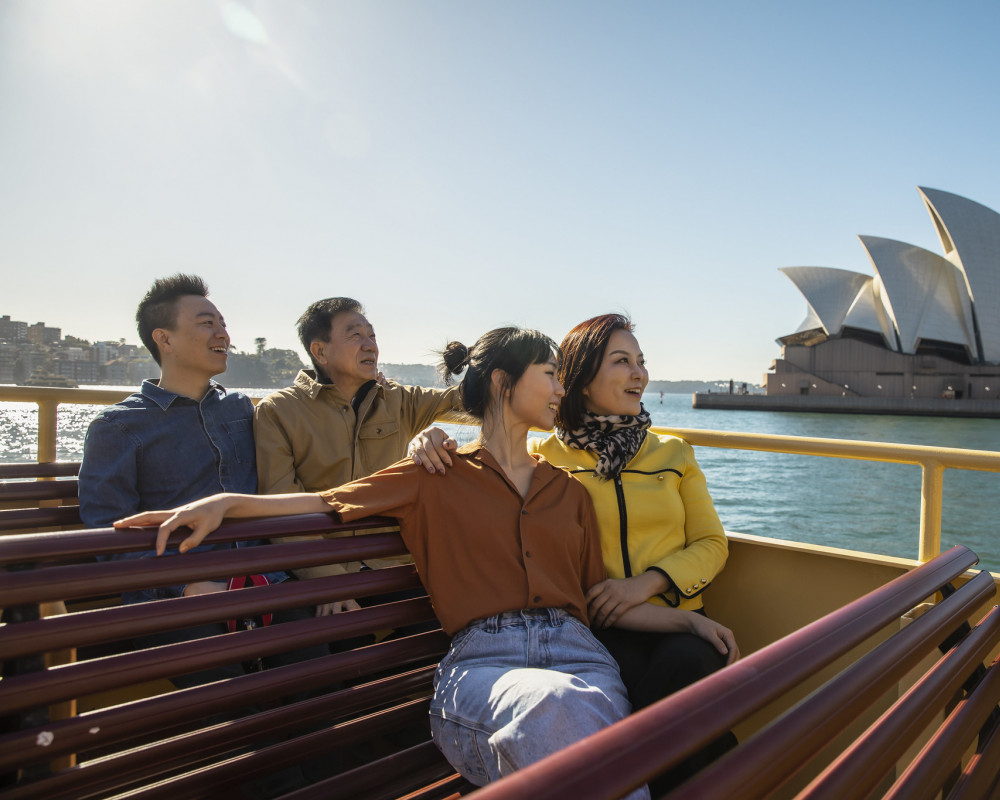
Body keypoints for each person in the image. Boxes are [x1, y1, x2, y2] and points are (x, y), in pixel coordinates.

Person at [117, 326, 737, 796]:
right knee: (563, 714)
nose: (559, 388)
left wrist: (685, 620)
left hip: (581, 660)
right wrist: (225, 502)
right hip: (485, 671)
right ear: (502, 383)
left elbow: (600, 596)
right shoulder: (433, 476)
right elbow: (323, 502)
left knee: (575, 715)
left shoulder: (567, 491)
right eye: (548, 374)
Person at [411, 314, 736, 792]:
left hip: (671, 617)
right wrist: (428, 437)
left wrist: (646, 584)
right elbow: (486, 453)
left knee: (690, 663)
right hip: (595, 631)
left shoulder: (673, 452)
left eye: (641, 362)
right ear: (580, 379)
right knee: (630, 691)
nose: (639, 374)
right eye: (622, 361)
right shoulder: (546, 459)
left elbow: (711, 543)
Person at [78, 274, 325, 685]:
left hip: (264, 585)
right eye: (207, 322)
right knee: (225, 710)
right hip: (178, 602)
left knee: (321, 687)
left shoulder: (242, 408)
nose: (222, 333)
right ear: (165, 339)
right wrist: (183, 588)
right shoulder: (120, 426)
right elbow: (108, 530)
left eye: (223, 323)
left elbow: (312, 429)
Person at [252, 297, 464, 616]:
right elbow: (282, 512)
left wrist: (485, 360)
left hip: (395, 567)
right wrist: (330, 581)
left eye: (372, 335)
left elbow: (462, 401)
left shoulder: (396, 399)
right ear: (320, 351)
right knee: (323, 648)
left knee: (453, 625)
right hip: (320, 573)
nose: (370, 346)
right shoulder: (278, 411)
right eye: (355, 336)